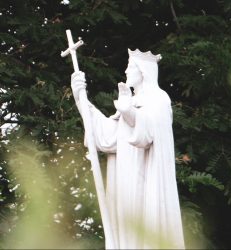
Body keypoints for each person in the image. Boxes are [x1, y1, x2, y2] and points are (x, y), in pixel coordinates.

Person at [71, 49, 185, 249]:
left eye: (130, 67)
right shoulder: (129, 102)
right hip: (126, 180)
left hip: (148, 181)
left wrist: (129, 111)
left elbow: (148, 134)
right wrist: (81, 98)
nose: (126, 70)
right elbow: (107, 138)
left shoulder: (159, 98)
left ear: (143, 72)